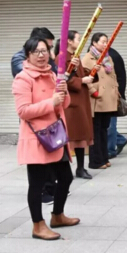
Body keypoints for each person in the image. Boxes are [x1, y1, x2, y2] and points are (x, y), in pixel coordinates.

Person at [12, 36, 79, 240]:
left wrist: (63, 93)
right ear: (28, 55)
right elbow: (23, 111)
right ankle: (37, 225)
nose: (41, 56)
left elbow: (63, 104)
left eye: (44, 51)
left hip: (56, 135)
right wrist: (51, 102)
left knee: (66, 177)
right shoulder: (23, 78)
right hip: (37, 138)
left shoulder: (52, 74)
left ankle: (57, 215)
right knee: (37, 184)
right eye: (36, 52)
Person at [11, 27, 58, 205]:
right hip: (35, 121)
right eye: (43, 48)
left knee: (57, 166)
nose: (44, 54)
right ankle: (42, 197)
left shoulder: (49, 66)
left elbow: (57, 80)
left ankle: (52, 192)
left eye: (47, 49)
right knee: (37, 168)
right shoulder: (21, 62)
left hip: (51, 121)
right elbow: (25, 104)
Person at [54, 32, 97, 180]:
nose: (80, 41)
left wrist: (92, 72)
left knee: (81, 136)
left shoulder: (75, 57)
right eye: (78, 39)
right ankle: (64, 169)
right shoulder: (61, 58)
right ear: (69, 41)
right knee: (70, 136)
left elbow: (80, 74)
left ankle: (80, 167)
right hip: (71, 102)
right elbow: (63, 79)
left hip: (81, 100)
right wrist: (81, 81)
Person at [82, 33, 119, 170]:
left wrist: (116, 90)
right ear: (94, 43)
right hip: (97, 99)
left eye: (106, 41)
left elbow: (113, 76)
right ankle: (95, 161)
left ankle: (104, 157)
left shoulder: (108, 57)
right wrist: (93, 91)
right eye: (103, 42)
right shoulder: (88, 58)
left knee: (104, 129)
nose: (105, 44)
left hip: (108, 97)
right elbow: (84, 78)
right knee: (96, 130)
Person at [108, 47, 127, 158]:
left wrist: (119, 95)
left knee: (110, 124)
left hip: (112, 96)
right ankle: (120, 140)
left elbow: (121, 77)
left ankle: (110, 150)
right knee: (104, 125)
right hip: (100, 97)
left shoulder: (113, 56)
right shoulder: (94, 54)